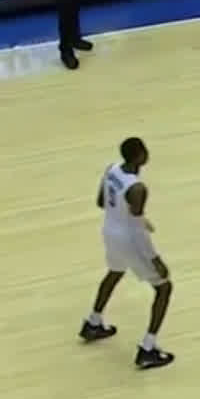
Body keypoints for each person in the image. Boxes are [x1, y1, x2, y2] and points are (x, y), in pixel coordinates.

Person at [79, 137, 176, 370]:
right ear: (140, 156)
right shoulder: (137, 188)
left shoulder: (111, 169)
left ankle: (93, 323)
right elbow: (137, 233)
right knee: (164, 288)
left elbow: (101, 202)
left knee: (114, 272)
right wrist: (155, 259)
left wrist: (136, 218)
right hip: (129, 240)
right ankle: (148, 349)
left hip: (110, 232)